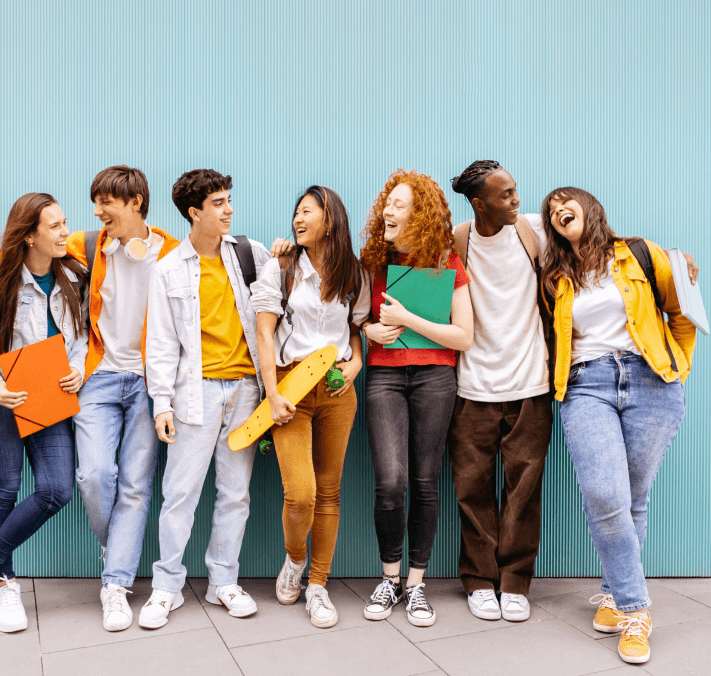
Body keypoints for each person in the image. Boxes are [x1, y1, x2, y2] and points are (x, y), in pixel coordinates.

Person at [0, 166, 181, 631]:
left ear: (135, 202)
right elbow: (19, 249)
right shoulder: (87, 246)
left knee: (135, 485)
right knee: (91, 476)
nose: (96, 212)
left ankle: (115, 583)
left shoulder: (171, 252)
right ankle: (114, 548)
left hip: (149, 382)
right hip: (97, 378)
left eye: (105, 201)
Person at [541, 186, 695, 665]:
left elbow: (681, 312)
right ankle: (635, 610)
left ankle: (611, 594)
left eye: (565, 201)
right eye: (550, 211)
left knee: (633, 494)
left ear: (590, 208)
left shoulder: (641, 255)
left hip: (651, 380)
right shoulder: (555, 277)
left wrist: (677, 366)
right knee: (605, 496)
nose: (556, 209)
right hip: (587, 384)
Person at [139, 169, 273, 628]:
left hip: (246, 391)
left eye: (229, 199)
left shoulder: (250, 255)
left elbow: (276, 312)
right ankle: (166, 586)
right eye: (218, 203)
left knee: (235, 495)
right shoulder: (169, 268)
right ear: (194, 213)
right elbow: (159, 343)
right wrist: (162, 404)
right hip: (193, 394)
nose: (228, 209)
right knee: (180, 493)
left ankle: (223, 582)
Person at [0, 193, 87, 633]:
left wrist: (80, 369)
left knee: (56, 490)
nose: (65, 231)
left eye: (65, 222)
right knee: (4, 488)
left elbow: (84, 336)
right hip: (1, 399)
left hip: (51, 397)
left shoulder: (76, 275)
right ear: (30, 236)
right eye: (55, 226)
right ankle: (6, 584)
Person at [251, 186, 369, 628]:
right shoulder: (280, 266)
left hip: (338, 388)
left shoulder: (353, 273)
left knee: (330, 491)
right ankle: (296, 561)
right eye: (296, 213)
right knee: (300, 493)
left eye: (307, 212)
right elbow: (264, 334)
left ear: (330, 219)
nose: (298, 220)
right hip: (290, 388)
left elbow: (356, 330)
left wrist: (356, 363)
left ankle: (318, 585)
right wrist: (272, 392)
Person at [358, 169, 473, 627]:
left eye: (399, 204)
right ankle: (389, 578)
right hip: (385, 377)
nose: (387, 209)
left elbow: (463, 337)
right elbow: (352, 322)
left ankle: (416, 584)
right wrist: (369, 329)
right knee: (390, 482)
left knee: (426, 482)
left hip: (436, 379)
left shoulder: (448, 263)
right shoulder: (372, 260)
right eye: (387, 201)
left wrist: (408, 318)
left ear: (419, 214)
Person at [447, 160, 553, 622]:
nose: (515, 200)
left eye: (515, 191)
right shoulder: (457, 239)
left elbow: (598, 242)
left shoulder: (532, 231)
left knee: (523, 491)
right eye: (506, 194)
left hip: (531, 385)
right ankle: (478, 581)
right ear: (479, 203)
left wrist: (668, 257)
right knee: (472, 492)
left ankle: (514, 583)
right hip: (472, 388)